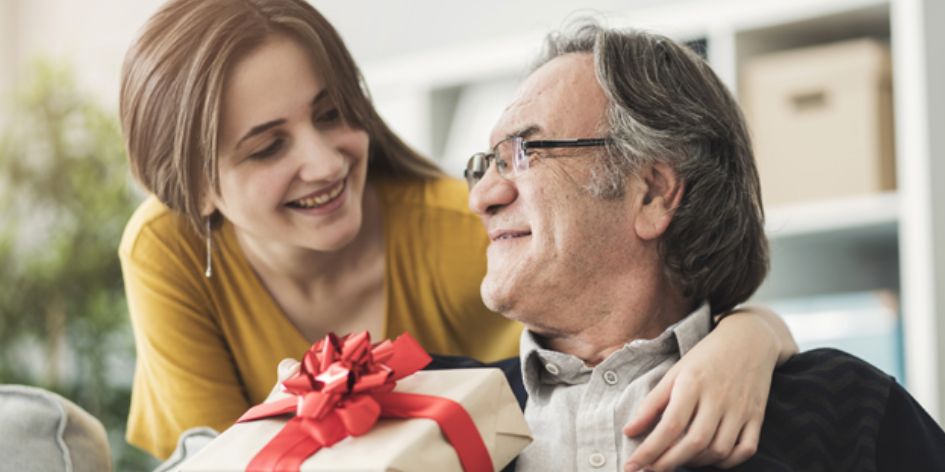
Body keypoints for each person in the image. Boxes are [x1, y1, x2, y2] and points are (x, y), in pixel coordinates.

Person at [117, 0, 797, 465]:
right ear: (195, 188)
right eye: (267, 147)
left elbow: (625, 322)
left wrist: (749, 333)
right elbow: (214, 457)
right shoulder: (167, 250)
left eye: (331, 114)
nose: (323, 163)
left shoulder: (466, 225)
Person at [464, 21, 945, 472]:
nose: (482, 196)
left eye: (523, 152)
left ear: (653, 192)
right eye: (484, 164)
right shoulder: (435, 410)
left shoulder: (844, 407)